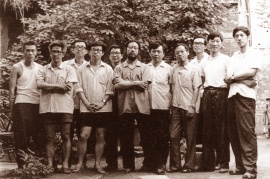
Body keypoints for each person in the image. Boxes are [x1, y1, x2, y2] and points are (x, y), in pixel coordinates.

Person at [224, 26, 262, 179]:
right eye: (236, 36)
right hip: (232, 95)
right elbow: (227, 77)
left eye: (241, 35)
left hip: (246, 97)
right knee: (234, 133)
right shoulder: (233, 57)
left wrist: (235, 78)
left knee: (246, 132)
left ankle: (251, 169)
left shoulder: (254, 53)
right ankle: (240, 166)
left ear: (248, 37)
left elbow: (251, 72)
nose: (239, 38)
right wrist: (242, 79)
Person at [36, 40, 78, 174]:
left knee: (66, 136)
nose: (56, 54)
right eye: (53, 51)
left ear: (63, 53)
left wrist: (49, 87)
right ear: (50, 52)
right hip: (47, 107)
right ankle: (49, 164)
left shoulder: (69, 69)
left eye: (59, 51)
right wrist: (58, 86)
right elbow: (39, 85)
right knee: (50, 137)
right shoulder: (43, 69)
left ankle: (65, 164)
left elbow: (68, 88)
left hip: (64, 107)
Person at [73, 41, 114, 174]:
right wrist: (86, 103)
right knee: (83, 135)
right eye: (93, 50)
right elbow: (78, 88)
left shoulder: (108, 69)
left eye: (98, 50)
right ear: (88, 52)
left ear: (102, 53)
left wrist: (102, 103)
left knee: (100, 136)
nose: (95, 52)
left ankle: (97, 164)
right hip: (86, 108)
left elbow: (110, 89)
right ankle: (79, 164)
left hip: (103, 108)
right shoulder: (81, 69)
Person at [113, 40, 154, 173]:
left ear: (138, 51)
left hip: (142, 106)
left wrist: (127, 83)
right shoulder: (119, 67)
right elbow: (117, 85)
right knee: (126, 137)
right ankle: (128, 165)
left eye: (135, 48)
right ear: (126, 49)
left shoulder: (144, 67)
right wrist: (136, 82)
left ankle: (148, 164)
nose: (132, 50)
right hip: (125, 107)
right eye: (130, 47)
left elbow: (145, 85)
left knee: (146, 136)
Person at [9, 41, 45, 169]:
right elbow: (12, 89)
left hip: (37, 104)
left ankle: (38, 164)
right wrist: (11, 109)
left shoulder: (41, 68)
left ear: (36, 52)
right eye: (27, 50)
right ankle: (22, 165)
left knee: (39, 134)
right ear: (23, 52)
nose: (30, 53)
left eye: (32, 50)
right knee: (21, 135)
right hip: (21, 103)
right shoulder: (17, 67)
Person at [167, 43, 201, 173]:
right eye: (177, 52)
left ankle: (189, 165)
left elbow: (197, 89)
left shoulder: (194, 69)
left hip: (189, 107)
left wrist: (192, 106)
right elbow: (171, 88)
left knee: (190, 137)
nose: (179, 54)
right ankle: (175, 165)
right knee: (173, 136)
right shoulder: (173, 69)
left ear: (187, 52)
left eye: (182, 51)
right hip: (175, 108)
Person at [200, 32, 230, 172]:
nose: (214, 44)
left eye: (217, 41)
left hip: (222, 94)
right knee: (207, 130)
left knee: (222, 129)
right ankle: (208, 163)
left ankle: (223, 163)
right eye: (211, 41)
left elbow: (230, 80)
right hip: (207, 93)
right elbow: (201, 80)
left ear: (221, 43)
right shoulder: (204, 61)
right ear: (207, 44)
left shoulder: (226, 60)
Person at [147, 41, 172, 175]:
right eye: (153, 51)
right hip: (148, 108)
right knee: (150, 137)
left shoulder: (169, 69)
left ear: (163, 54)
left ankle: (161, 164)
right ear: (149, 52)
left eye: (159, 52)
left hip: (163, 107)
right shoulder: (145, 68)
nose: (156, 54)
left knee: (162, 136)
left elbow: (173, 88)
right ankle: (151, 163)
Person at [62, 40, 88, 167]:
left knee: (83, 135)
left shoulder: (89, 66)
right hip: (68, 106)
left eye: (82, 47)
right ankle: (68, 161)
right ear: (73, 50)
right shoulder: (65, 65)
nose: (79, 50)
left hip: (84, 106)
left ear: (86, 51)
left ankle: (82, 162)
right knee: (68, 134)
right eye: (77, 47)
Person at [104, 45, 123, 171]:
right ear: (109, 56)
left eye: (117, 53)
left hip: (123, 103)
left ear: (121, 55)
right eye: (112, 53)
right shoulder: (105, 68)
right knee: (110, 134)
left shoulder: (125, 68)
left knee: (125, 133)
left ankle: (128, 164)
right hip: (108, 103)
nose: (115, 55)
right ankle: (111, 163)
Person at [190, 35, 209, 145]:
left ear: (205, 46)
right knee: (195, 123)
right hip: (195, 97)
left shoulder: (209, 60)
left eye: (200, 43)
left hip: (206, 95)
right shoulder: (191, 63)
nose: (197, 45)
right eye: (195, 43)